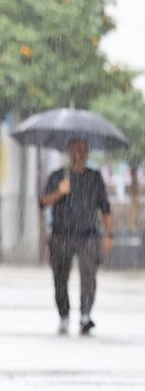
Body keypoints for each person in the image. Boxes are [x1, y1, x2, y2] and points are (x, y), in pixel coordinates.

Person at [41, 139, 114, 335]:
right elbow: (43, 202)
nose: (79, 154)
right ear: (69, 152)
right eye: (76, 150)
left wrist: (109, 234)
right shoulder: (58, 176)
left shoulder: (94, 177)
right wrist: (60, 191)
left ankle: (85, 315)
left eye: (83, 150)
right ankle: (64, 315)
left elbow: (105, 208)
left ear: (88, 153)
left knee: (89, 276)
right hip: (61, 234)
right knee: (60, 277)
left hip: (88, 235)